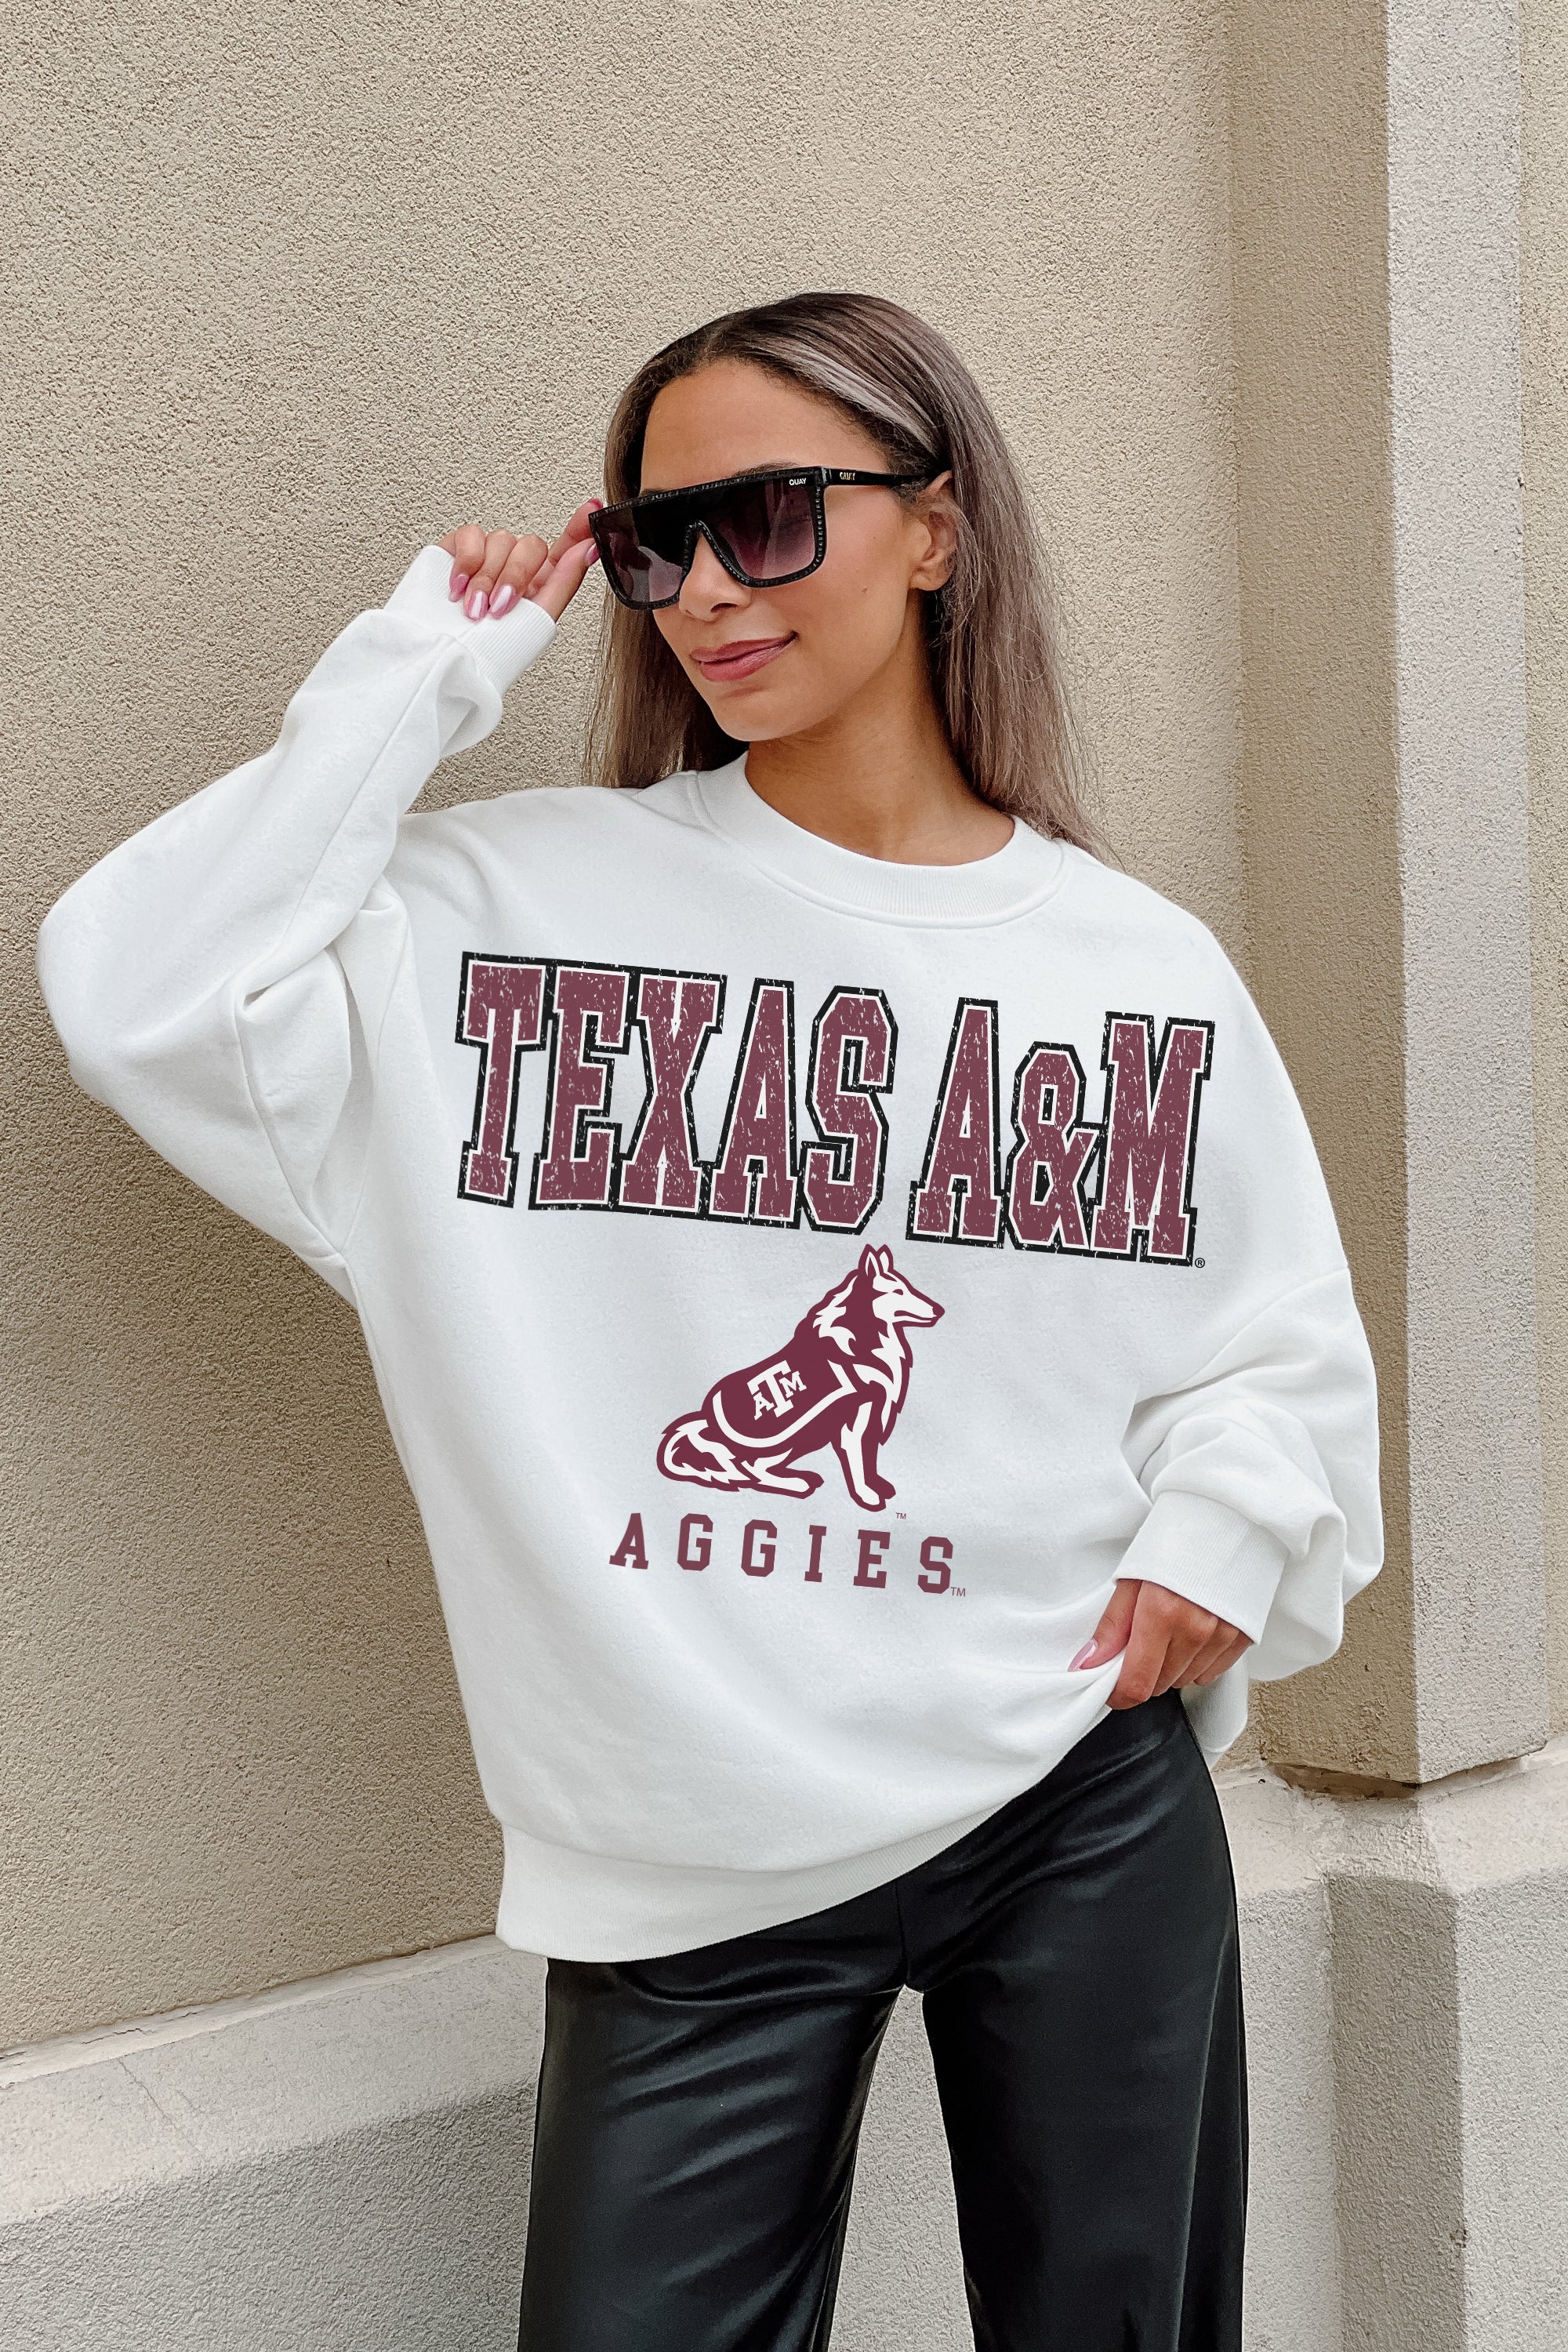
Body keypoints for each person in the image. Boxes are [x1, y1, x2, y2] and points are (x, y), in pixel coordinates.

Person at [37, 291, 1382, 2352]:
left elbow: (1268, 1341)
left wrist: (1221, 1532)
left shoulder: (1132, 961)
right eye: (653, 544)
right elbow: (142, 991)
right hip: (693, 1824)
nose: (703, 594)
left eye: (764, 519)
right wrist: (421, 674)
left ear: (936, 527)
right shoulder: (511, 916)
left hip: (1076, 1780)